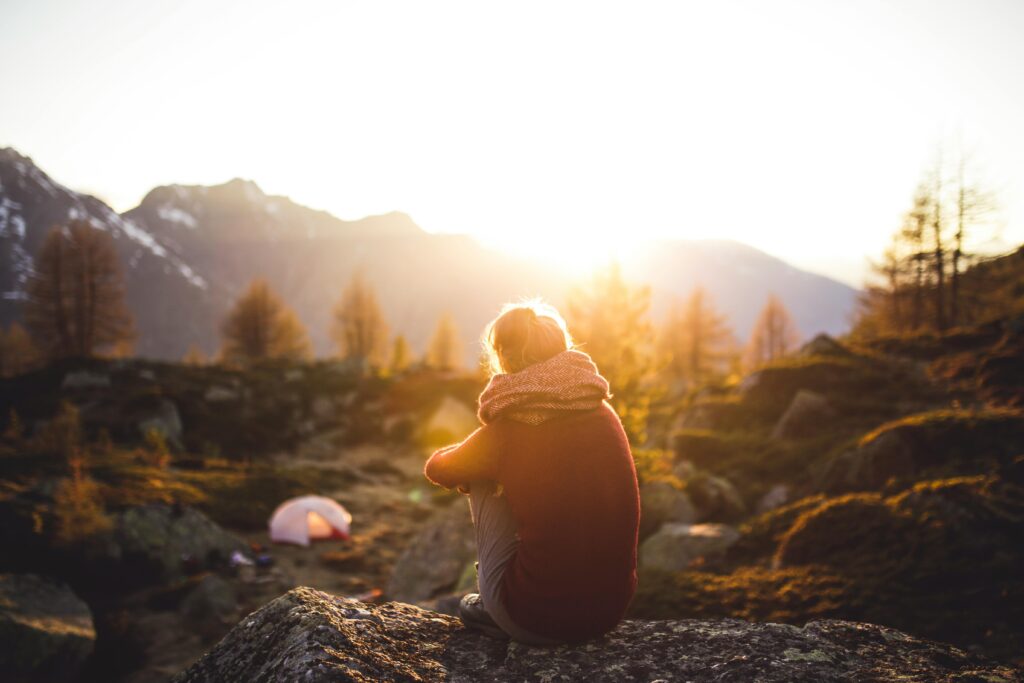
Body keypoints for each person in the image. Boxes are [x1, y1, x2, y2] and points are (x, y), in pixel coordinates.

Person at [423, 301, 640, 644]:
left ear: (504, 357)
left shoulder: (509, 428)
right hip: (608, 614)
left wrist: (484, 459)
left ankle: (493, 600)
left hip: (534, 621)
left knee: (480, 473)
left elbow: (439, 469)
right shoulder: (602, 411)